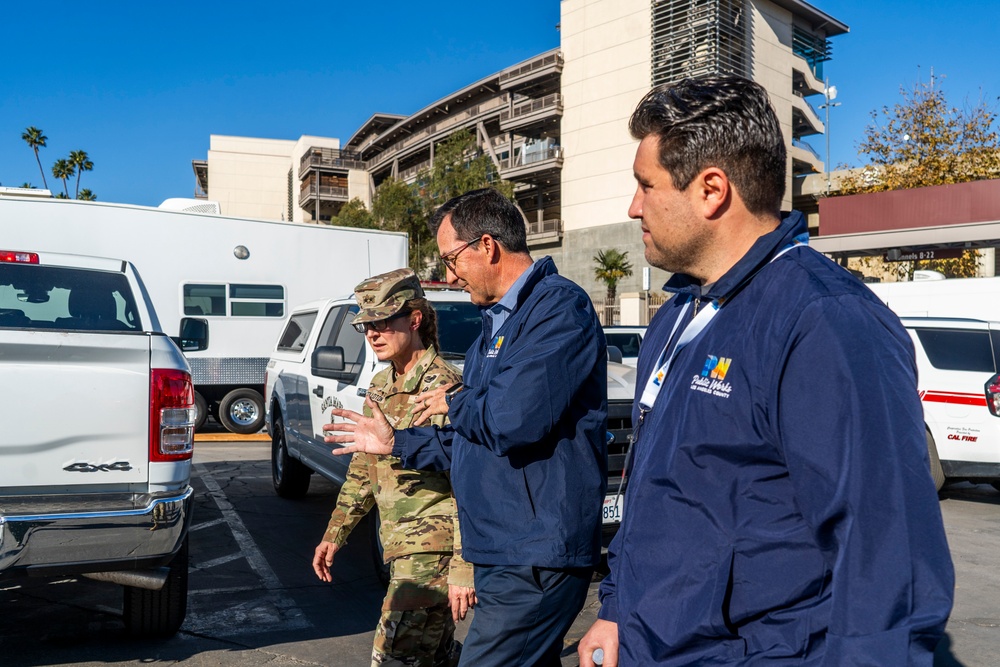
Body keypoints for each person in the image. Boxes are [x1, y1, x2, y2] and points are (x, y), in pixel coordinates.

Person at [578, 75, 955, 666]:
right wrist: (616, 608)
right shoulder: (679, 313)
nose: (633, 207)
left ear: (711, 190)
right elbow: (659, 492)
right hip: (653, 645)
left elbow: (887, 559)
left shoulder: (827, 322)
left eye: (645, 186)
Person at [325, 188, 608, 667]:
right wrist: (396, 442)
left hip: (535, 554)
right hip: (503, 550)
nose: (450, 275)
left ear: (487, 246)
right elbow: (470, 444)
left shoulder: (558, 309)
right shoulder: (491, 331)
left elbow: (513, 418)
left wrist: (458, 404)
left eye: (452, 259)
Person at [311, 268, 475, 667]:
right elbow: (363, 468)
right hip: (400, 548)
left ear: (415, 319)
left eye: (383, 322)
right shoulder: (382, 384)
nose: (372, 333)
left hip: (431, 553)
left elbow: (471, 483)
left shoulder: (445, 388)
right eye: (367, 325)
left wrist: (462, 567)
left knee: (392, 658)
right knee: (434, 658)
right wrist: (336, 533)